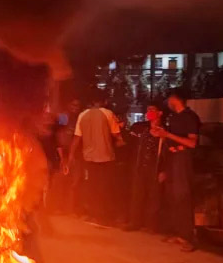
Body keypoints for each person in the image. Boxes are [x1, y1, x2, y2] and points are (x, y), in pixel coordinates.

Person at [66, 89, 125, 226]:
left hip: (89, 158)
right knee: (105, 187)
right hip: (106, 157)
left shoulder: (83, 115)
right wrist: (121, 140)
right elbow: (117, 134)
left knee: (92, 186)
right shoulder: (108, 114)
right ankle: (104, 217)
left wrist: (71, 155)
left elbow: (76, 138)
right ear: (103, 101)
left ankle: (94, 215)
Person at [153, 90, 201, 252]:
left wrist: (168, 135)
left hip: (183, 160)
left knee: (183, 197)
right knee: (172, 196)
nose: (167, 102)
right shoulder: (173, 118)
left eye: (169, 98)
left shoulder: (190, 117)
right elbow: (168, 138)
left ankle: (188, 237)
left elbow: (192, 143)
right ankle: (177, 233)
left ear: (176, 99)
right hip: (172, 159)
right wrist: (161, 133)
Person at [126, 102, 164, 232]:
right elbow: (131, 144)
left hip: (155, 167)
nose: (149, 112)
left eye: (152, 109)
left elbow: (166, 152)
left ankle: (152, 225)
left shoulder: (165, 131)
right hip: (140, 166)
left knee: (154, 197)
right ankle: (134, 222)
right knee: (137, 195)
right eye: (148, 110)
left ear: (160, 113)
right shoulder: (141, 128)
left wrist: (163, 169)